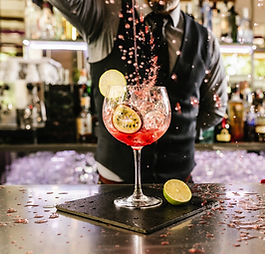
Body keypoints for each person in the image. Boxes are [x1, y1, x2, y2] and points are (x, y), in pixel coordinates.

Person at [48, 0, 228, 184]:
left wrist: (179, 129)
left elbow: (215, 110)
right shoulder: (103, 15)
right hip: (115, 185)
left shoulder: (205, 40)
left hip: (179, 185)